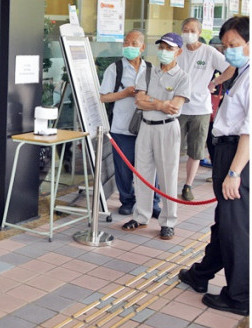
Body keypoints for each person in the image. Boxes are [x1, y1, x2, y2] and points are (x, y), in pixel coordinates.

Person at [179, 16, 249, 316]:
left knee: (235, 227)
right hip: (226, 151)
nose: (229, 50)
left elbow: (249, 131)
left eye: (235, 45)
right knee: (225, 221)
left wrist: (234, 173)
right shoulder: (242, 71)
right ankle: (200, 274)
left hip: (237, 155)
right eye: (226, 44)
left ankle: (239, 296)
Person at [121, 32, 190, 240]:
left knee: (167, 175)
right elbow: (139, 101)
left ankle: (168, 221)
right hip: (146, 126)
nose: (164, 52)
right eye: (161, 47)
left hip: (167, 129)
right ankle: (141, 216)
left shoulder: (182, 77)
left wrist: (151, 100)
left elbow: (175, 108)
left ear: (178, 51)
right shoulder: (148, 73)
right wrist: (160, 103)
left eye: (169, 48)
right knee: (142, 172)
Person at [100, 29, 161, 218]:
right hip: (121, 127)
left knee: (150, 167)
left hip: (147, 127)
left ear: (142, 47)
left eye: (134, 44)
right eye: (126, 43)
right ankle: (127, 201)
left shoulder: (151, 69)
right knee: (123, 169)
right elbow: (103, 97)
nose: (129, 47)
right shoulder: (115, 68)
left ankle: (154, 202)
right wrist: (125, 93)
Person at [176, 18, 235, 201]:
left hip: (200, 109)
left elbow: (230, 68)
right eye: (185, 30)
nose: (189, 33)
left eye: (192, 30)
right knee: (172, 147)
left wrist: (215, 82)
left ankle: (188, 185)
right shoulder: (177, 50)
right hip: (177, 107)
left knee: (195, 149)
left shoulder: (209, 52)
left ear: (199, 32)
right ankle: (166, 183)